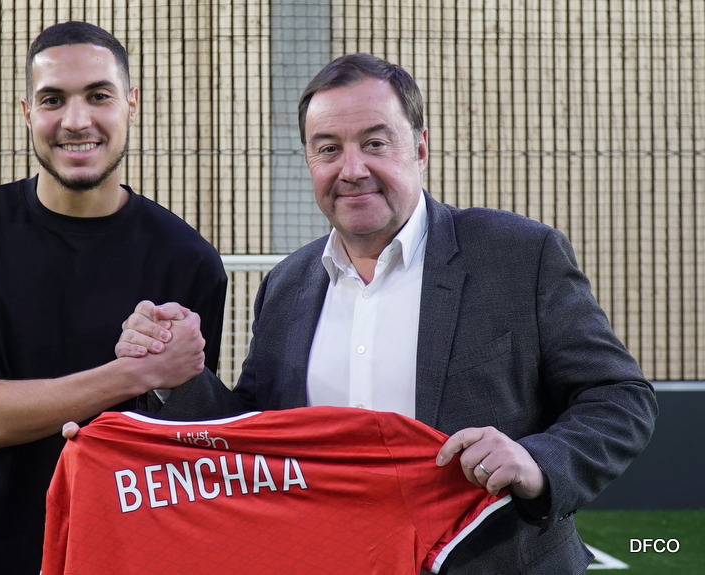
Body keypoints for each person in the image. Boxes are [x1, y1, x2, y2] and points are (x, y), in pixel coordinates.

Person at [111, 53, 658, 574]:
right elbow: (258, 432)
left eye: (375, 143)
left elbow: (617, 396)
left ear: (420, 147)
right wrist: (178, 378)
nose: (352, 169)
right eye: (328, 149)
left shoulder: (518, 255)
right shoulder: (286, 285)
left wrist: (537, 461)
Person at [0, 21, 228, 575]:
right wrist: (134, 373)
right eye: (53, 99)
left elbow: (185, 439)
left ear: (131, 104)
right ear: (27, 112)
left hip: (121, 557)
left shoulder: (189, 259)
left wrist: (179, 383)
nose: (76, 120)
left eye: (99, 96)